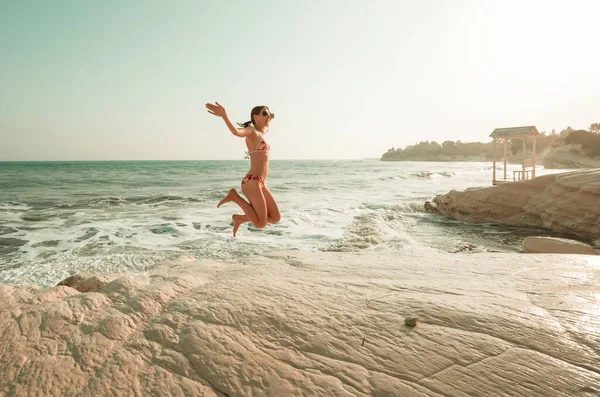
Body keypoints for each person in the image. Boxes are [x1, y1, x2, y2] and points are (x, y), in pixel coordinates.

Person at [205, 102, 281, 237]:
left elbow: (267, 125)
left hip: (260, 183)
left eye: (268, 113)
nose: (267, 116)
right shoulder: (251, 132)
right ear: (255, 116)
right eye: (264, 113)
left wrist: (270, 117)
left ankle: (240, 218)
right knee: (260, 224)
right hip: (251, 182)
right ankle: (234, 197)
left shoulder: (262, 132)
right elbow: (236, 132)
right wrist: (224, 115)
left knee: (275, 217)